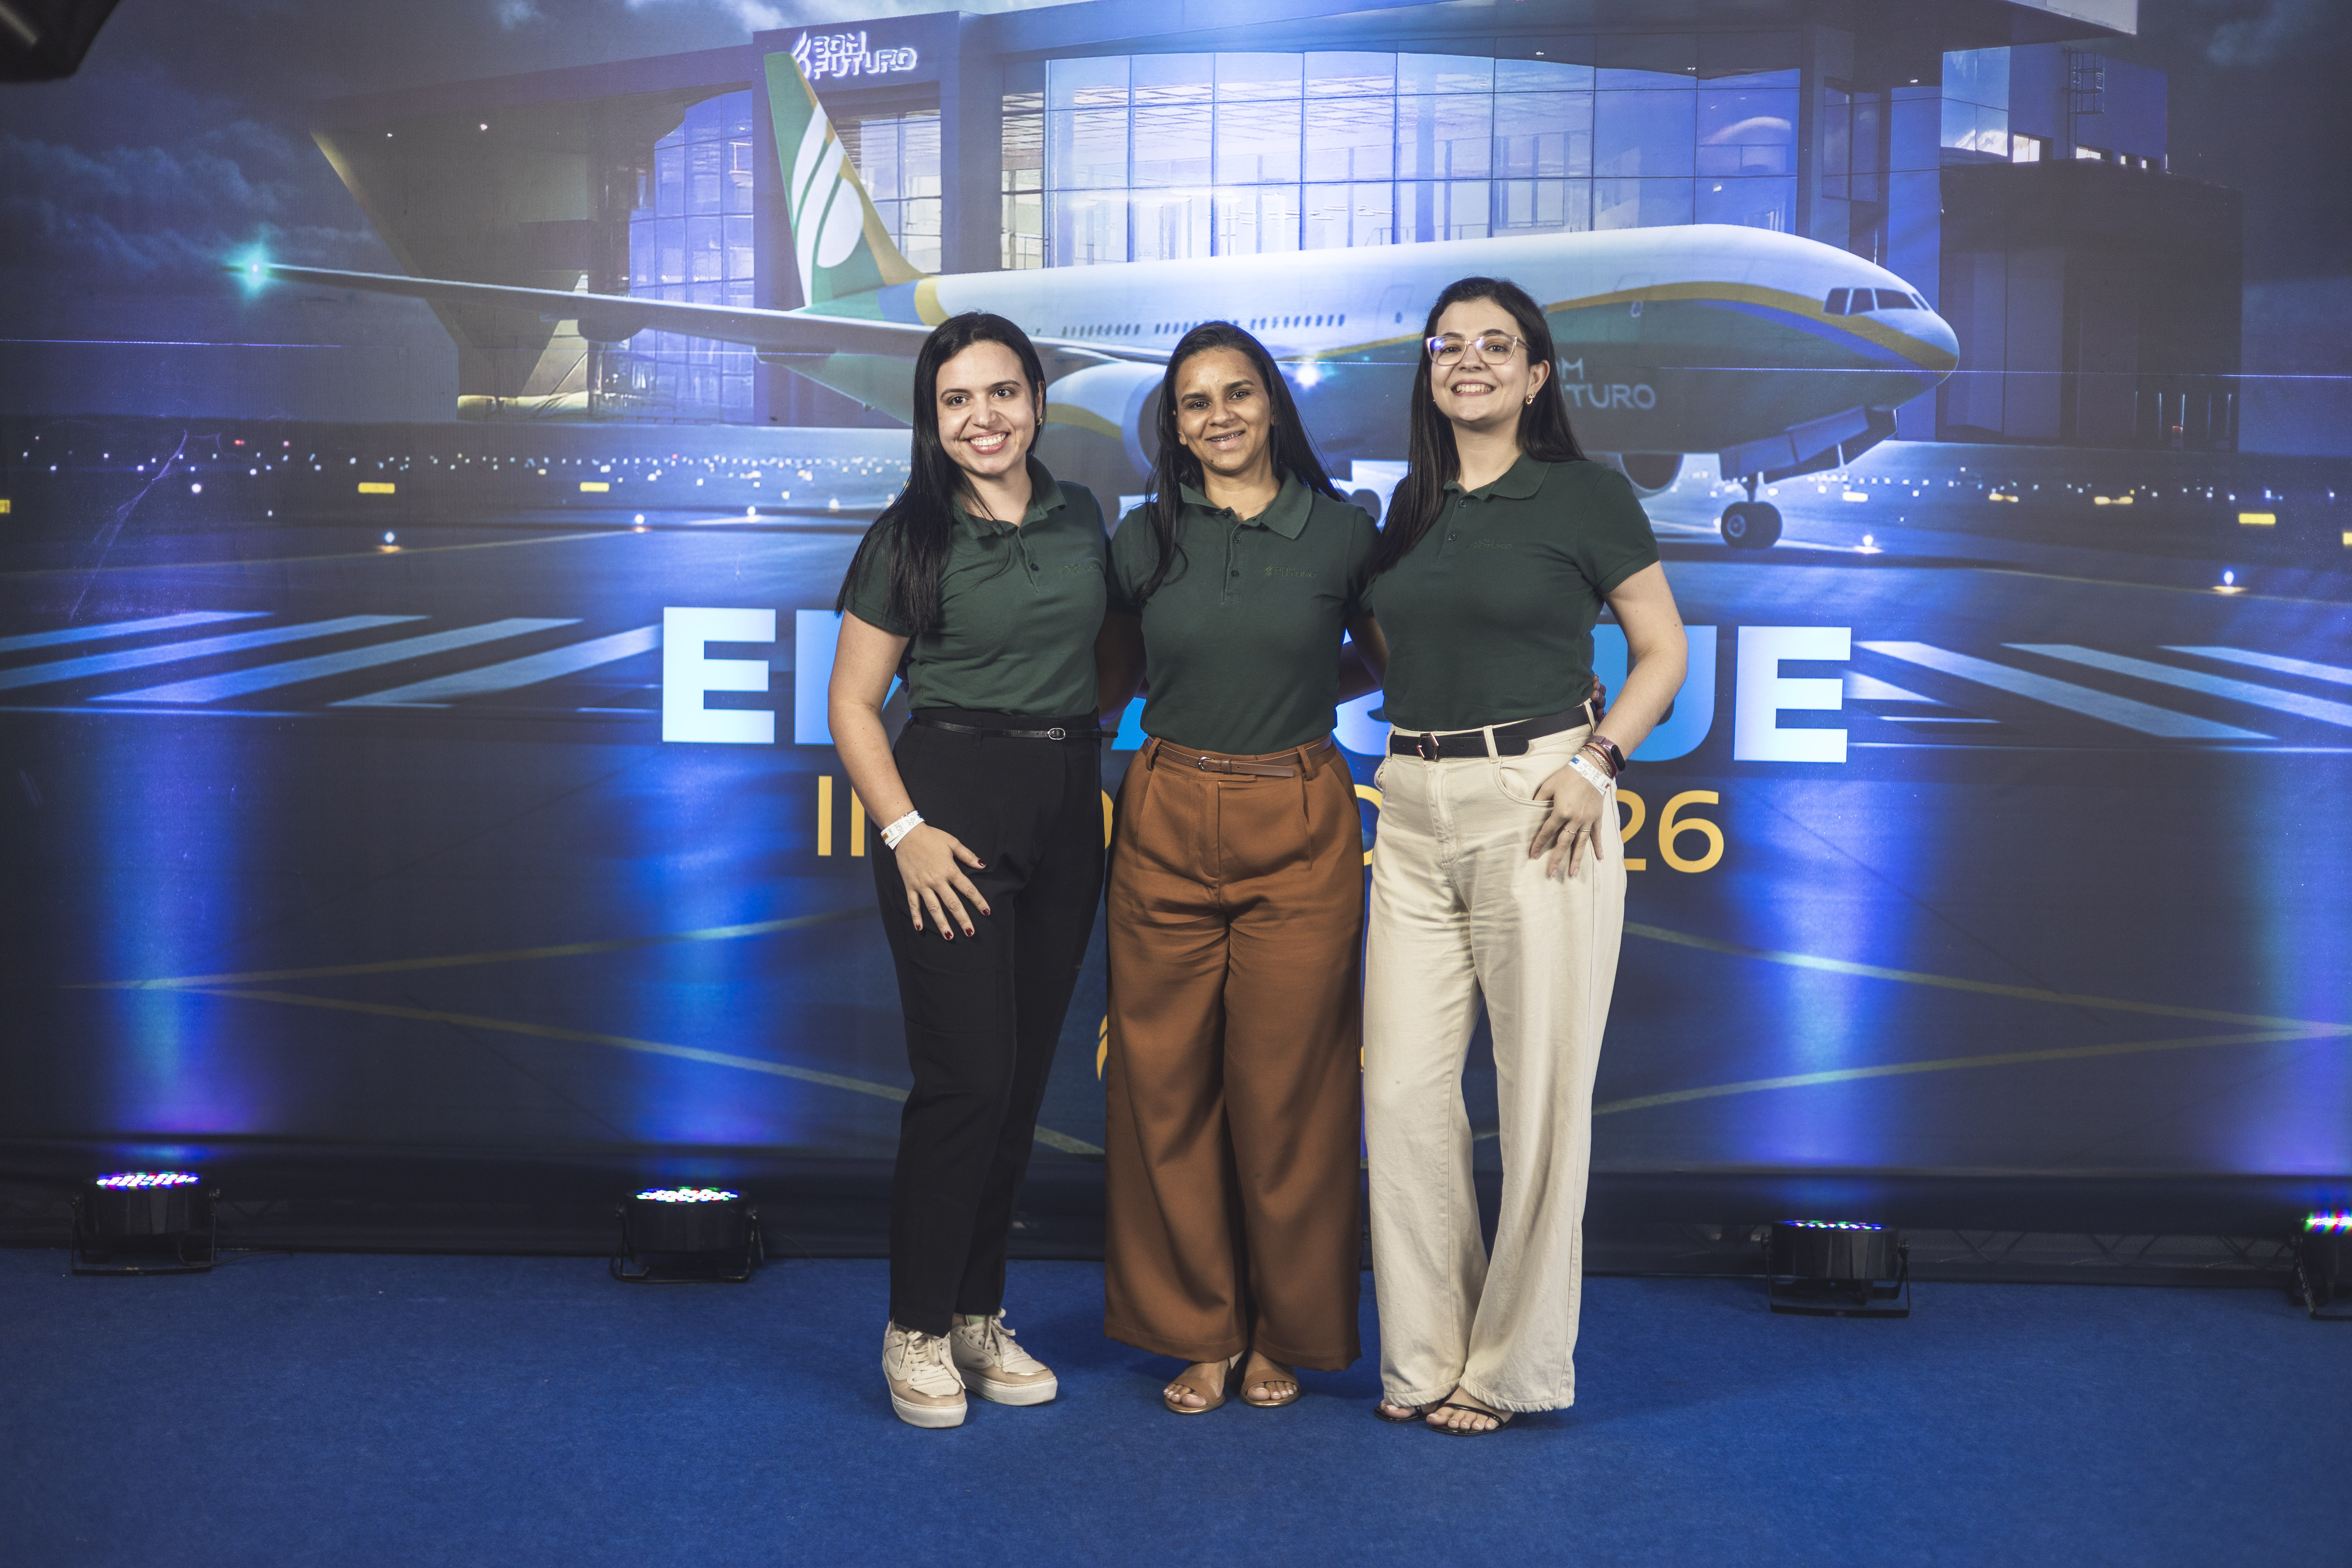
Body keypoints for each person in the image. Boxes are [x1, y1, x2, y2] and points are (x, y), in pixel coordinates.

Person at [1359, 277, 1689, 1435]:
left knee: (1542, 1097)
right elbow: (1395, 652)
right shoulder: (1410, 506)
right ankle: (1424, 1357)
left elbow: (1661, 650)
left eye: (1497, 345)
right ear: (1428, 370)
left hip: (1540, 799)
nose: (1471, 360)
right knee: (1400, 1096)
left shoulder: (1586, 494)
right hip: (1410, 803)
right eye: (1449, 343)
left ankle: (1510, 1370)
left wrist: (1597, 763)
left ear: (1537, 375)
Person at [828, 312, 1119, 1430]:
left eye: (1002, 393)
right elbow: (854, 703)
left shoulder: (1081, 513)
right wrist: (905, 831)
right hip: (949, 810)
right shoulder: (908, 534)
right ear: (932, 418)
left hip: (1066, 803)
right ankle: (913, 1326)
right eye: (957, 400)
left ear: (1038, 402)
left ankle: (975, 1315)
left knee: (1024, 1080)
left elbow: (1107, 654)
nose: (983, 418)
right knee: (968, 1081)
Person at [1095, 323, 1385, 1415]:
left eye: (1238, 394)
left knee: (1289, 1096)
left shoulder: (1342, 532)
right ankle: (1201, 1331)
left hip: (1298, 814)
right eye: (1195, 402)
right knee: (1163, 1089)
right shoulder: (1142, 536)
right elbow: (1106, 676)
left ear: (1272, 405)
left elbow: (1398, 660)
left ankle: (1283, 1332)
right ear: (1173, 426)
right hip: (1166, 808)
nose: (1218, 416)